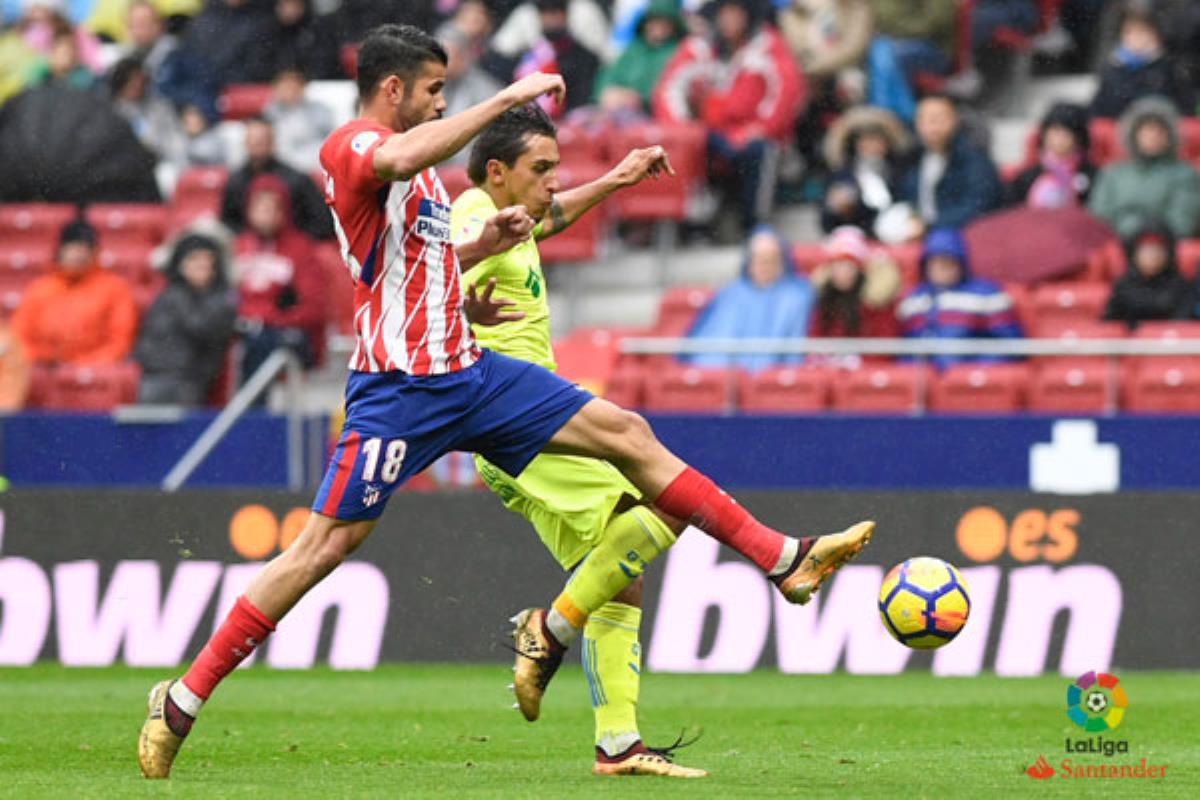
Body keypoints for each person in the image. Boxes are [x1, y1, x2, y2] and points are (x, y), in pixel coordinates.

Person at [137, 24, 873, 780]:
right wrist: (506, 97)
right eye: (433, 89)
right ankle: (183, 698)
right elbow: (395, 160)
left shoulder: (427, 186)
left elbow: (418, 264)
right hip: (400, 389)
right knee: (325, 547)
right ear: (393, 88)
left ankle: (782, 559)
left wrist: (483, 248)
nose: (440, 102)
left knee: (626, 432)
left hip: (472, 374)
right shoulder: (351, 145)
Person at [451, 103, 704, 777]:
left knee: (621, 574)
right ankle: (549, 631)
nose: (554, 182)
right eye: (542, 169)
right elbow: (436, 267)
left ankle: (616, 745)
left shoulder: (512, 220)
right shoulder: (473, 213)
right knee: (665, 501)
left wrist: (618, 177)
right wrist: (458, 301)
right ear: (497, 171)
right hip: (518, 423)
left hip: (525, 425)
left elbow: (553, 218)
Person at [653, 0, 806, 232]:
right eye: (723, 13)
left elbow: (787, 94)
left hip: (753, 135)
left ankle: (755, 225)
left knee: (760, 150)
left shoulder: (768, 46)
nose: (728, 20)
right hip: (709, 135)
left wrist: (761, 128)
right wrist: (684, 129)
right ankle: (693, 224)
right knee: (682, 147)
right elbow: (668, 89)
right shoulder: (699, 48)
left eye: (735, 12)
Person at [231, 173, 327, 380]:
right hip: (241, 328)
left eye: (271, 208)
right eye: (259, 208)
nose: (264, 215)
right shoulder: (238, 246)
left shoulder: (300, 249)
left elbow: (314, 307)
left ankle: (255, 402)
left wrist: (275, 319)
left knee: (261, 344)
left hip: (281, 331)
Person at [685, 226, 814, 372]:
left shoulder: (799, 295)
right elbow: (709, 350)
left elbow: (794, 355)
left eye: (770, 260)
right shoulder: (730, 294)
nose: (765, 266)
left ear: (782, 263)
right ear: (749, 263)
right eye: (759, 260)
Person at [11, 219, 138, 366]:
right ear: (60, 251)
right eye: (72, 249)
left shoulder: (114, 288)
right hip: (45, 370)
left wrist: (82, 366)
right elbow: (19, 336)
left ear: (94, 253)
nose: (77, 255)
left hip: (94, 372)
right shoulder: (40, 288)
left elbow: (120, 340)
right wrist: (40, 358)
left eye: (83, 249)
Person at [895, 227, 1022, 370]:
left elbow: (1008, 344)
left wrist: (972, 372)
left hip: (971, 379)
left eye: (946, 261)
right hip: (923, 380)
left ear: (960, 262)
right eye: (933, 262)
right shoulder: (912, 299)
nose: (939, 268)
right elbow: (904, 349)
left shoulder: (987, 295)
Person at [134, 233, 237, 405]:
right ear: (180, 263)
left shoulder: (223, 299)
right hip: (154, 376)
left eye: (208, 259)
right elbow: (148, 340)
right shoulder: (168, 295)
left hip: (192, 381)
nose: (202, 265)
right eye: (194, 259)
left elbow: (203, 329)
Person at [1088, 96, 1200, 240]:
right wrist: (1128, 230)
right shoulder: (1112, 173)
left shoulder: (1185, 174)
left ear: (1170, 136)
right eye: (1147, 130)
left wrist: (1145, 235)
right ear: (1134, 134)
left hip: (1164, 247)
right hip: (1116, 244)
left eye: (1160, 131)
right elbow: (1098, 217)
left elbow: (1182, 223)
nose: (1153, 136)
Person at [897, 95, 1001, 237]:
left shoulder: (974, 159)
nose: (932, 125)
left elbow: (978, 206)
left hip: (958, 232)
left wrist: (929, 225)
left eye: (938, 118)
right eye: (924, 119)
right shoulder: (910, 158)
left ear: (954, 120)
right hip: (915, 230)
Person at [220, 116, 334, 241]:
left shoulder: (297, 181)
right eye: (252, 140)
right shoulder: (235, 182)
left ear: (272, 142)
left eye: (261, 141)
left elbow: (322, 222)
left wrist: (298, 242)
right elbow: (227, 223)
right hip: (248, 249)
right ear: (245, 142)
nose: (256, 145)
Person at [1090, 2, 1193, 120]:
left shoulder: (1171, 71)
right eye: (1129, 32)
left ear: (1156, 35)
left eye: (1142, 32)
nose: (1136, 38)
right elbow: (1098, 113)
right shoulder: (1111, 72)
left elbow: (1185, 112)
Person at [820, 105, 910, 235]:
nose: (871, 146)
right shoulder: (841, 175)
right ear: (856, 144)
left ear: (887, 144)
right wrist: (839, 210)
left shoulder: (899, 172)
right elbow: (826, 222)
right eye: (865, 141)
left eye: (877, 140)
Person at [592, 0, 685, 118]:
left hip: (649, 115)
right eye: (654, 21)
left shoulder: (678, 51)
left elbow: (671, 90)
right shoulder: (634, 48)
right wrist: (607, 92)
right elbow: (609, 76)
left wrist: (638, 98)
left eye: (664, 23)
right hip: (612, 107)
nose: (658, 27)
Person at [808, 226, 901, 342]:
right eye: (837, 264)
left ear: (860, 269)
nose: (842, 271)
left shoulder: (876, 304)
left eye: (849, 265)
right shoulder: (825, 299)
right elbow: (814, 338)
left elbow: (883, 343)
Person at [513, 0, 599, 117]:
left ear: (566, 14)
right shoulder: (529, 58)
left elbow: (582, 106)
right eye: (544, 12)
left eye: (556, 11)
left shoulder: (585, 59)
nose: (550, 18)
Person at [1102, 222, 1193, 329]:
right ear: (1133, 253)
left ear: (1169, 254)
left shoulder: (1181, 288)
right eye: (1145, 250)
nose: (1152, 256)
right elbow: (1107, 327)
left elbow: (1183, 326)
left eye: (1157, 249)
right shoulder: (1122, 287)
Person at [1006, 102, 1095, 208]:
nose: (1059, 139)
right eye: (1055, 131)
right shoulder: (1027, 178)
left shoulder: (1092, 177)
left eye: (1066, 133)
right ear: (1044, 135)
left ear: (1078, 138)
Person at [262, 66, 336, 174]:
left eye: (293, 87)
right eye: (285, 87)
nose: (290, 91)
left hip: (314, 161)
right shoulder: (269, 113)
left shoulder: (320, 110)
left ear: (302, 88)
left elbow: (330, 141)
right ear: (276, 89)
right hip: (280, 164)